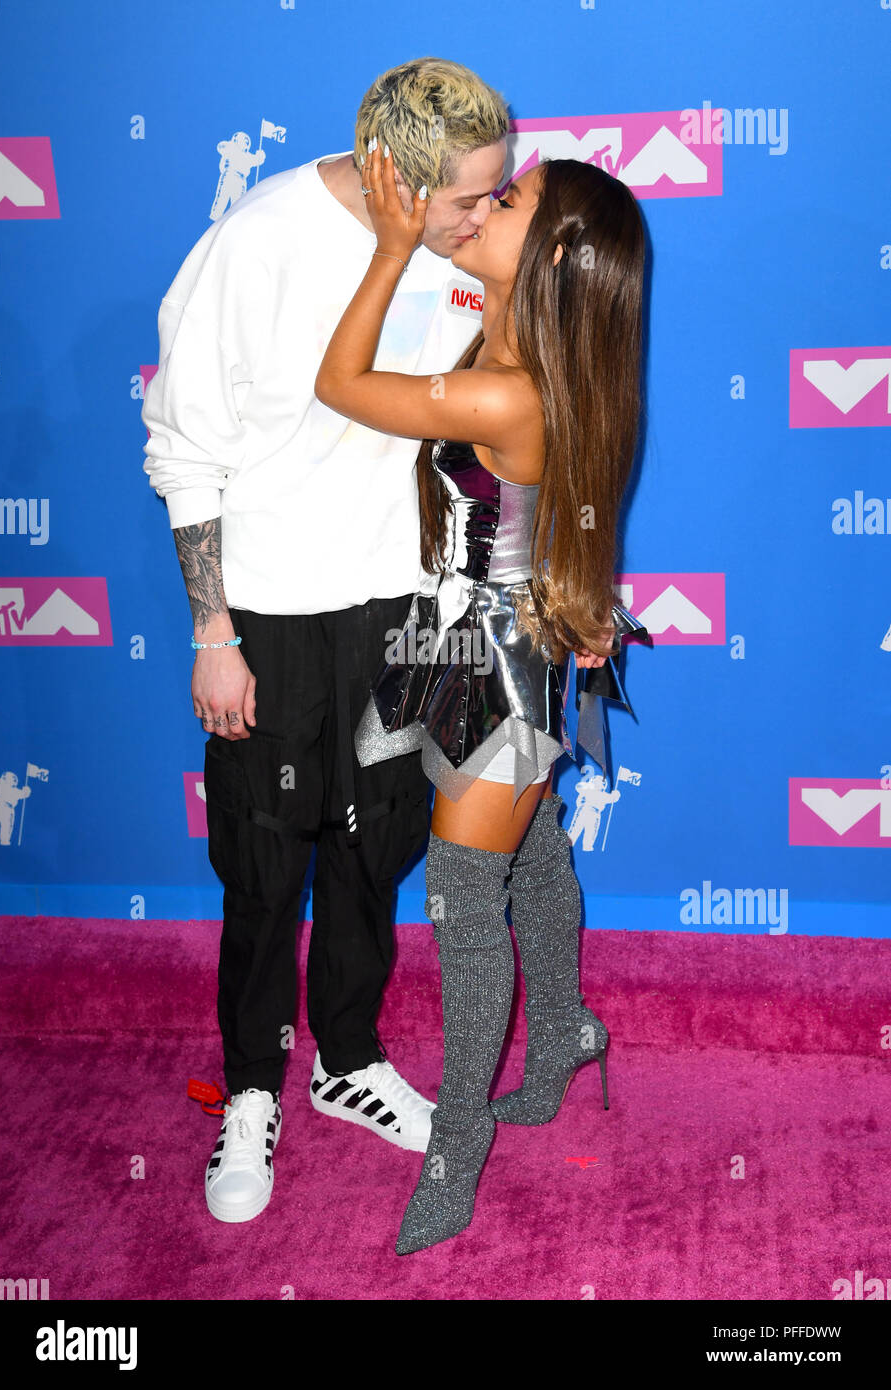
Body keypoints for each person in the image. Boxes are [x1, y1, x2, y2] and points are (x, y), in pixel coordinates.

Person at [141, 58, 512, 1224]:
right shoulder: (253, 248)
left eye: (497, 194)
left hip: (399, 613)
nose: (485, 215)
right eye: (467, 198)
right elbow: (182, 447)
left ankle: (346, 1061)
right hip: (270, 613)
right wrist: (213, 630)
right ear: (398, 179)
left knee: (374, 849)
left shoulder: (456, 256)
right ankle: (249, 1086)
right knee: (264, 867)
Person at [314, 140, 648, 1253]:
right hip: (491, 640)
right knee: (533, 852)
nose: (482, 206)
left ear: (548, 253)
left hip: (493, 665)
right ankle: (561, 1035)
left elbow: (341, 383)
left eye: (505, 200)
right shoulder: (516, 347)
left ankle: (454, 1156)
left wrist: (395, 242)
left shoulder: (508, 386)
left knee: (464, 907)